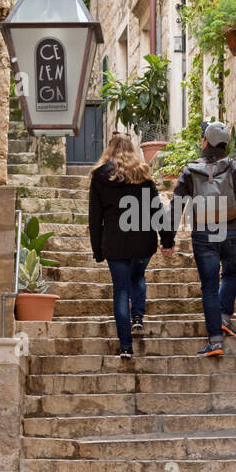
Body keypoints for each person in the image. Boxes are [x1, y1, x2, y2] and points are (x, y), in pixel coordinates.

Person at [172, 120, 236, 357]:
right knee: (230, 274)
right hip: (234, 232)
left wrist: (168, 237)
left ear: (205, 142)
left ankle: (215, 342)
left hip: (204, 234)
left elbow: (177, 205)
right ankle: (224, 318)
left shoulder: (190, 170)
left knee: (209, 287)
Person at [89, 133, 175, 358]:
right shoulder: (143, 174)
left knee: (120, 290)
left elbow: (94, 217)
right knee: (137, 276)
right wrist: (167, 240)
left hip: (115, 243)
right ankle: (137, 316)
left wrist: (97, 249)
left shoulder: (99, 176)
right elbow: (157, 209)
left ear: (109, 149)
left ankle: (126, 346)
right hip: (142, 241)